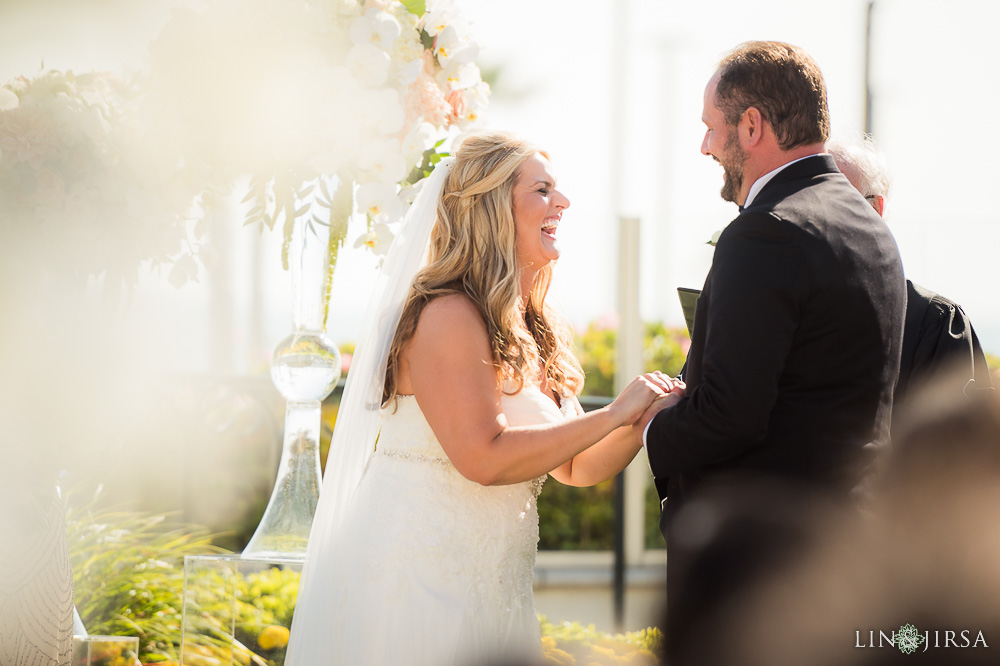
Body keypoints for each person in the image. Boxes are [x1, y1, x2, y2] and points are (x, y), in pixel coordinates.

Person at [284, 132, 679, 666]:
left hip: (494, 588)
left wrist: (643, 416)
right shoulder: (446, 314)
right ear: (492, 208)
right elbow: (483, 457)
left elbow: (578, 466)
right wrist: (613, 412)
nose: (562, 203)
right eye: (542, 190)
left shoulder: (528, 325)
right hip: (418, 582)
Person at [638, 42, 907, 663]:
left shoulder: (765, 232)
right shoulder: (870, 229)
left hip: (757, 572)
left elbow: (732, 415)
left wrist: (655, 425)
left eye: (711, 128)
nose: (706, 147)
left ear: (752, 125)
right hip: (848, 545)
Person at [828, 137, 994, 436]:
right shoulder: (769, 310)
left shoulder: (936, 323)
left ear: (873, 210)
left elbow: (959, 459)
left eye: (831, 200)